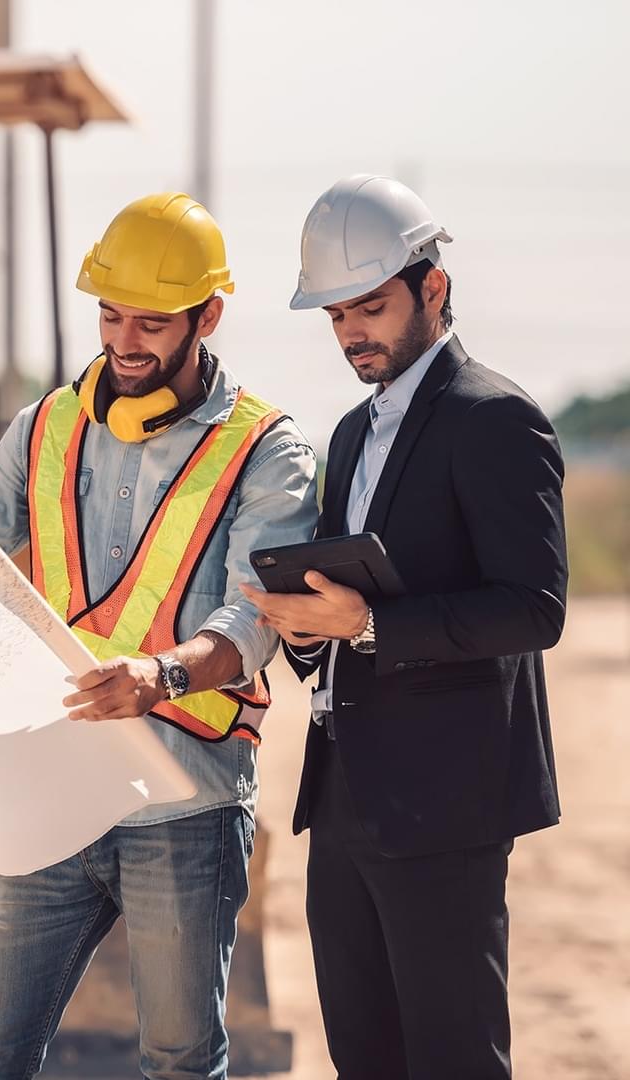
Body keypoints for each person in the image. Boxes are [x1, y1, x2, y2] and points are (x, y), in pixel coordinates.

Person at [0, 192, 318, 1079]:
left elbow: (256, 619)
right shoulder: (43, 429)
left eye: (152, 321)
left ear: (208, 316)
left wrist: (161, 675)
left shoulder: (266, 451)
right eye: (111, 315)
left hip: (184, 807)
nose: (124, 341)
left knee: (180, 1063)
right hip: (50, 790)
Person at [241, 174, 568, 1079]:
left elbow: (535, 608)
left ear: (434, 288)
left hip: (448, 806)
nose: (352, 332)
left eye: (370, 306)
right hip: (345, 802)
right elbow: (346, 615)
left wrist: (373, 624)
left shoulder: (496, 420)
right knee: (365, 1059)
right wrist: (307, 629)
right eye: (336, 313)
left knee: (454, 1059)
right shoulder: (348, 434)